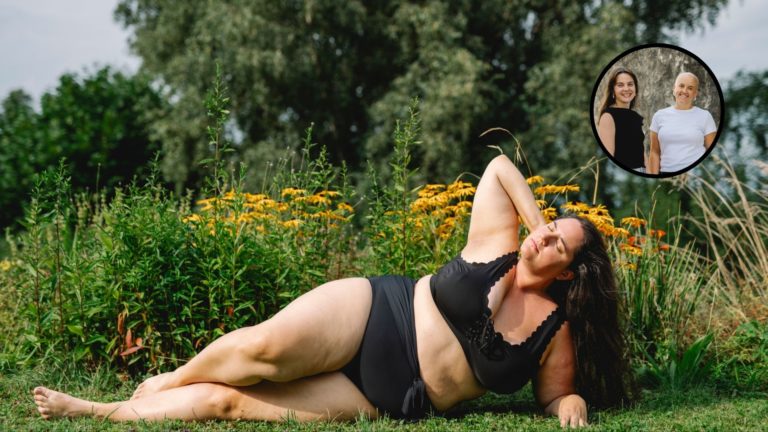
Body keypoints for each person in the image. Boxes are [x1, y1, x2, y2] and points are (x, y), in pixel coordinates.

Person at [33, 154, 634, 428]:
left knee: (233, 404)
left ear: (569, 273)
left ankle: (98, 412)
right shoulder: (501, 236)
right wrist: (538, 225)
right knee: (261, 351)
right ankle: (170, 378)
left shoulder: (553, 329)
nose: (544, 240)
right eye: (549, 228)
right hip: (376, 310)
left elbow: (556, 396)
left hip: (389, 397)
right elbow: (501, 167)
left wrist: (569, 406)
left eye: (558, 244)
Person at [648, 72, 717, 175]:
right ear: (674, 89)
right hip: (666, 173)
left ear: (695, 93)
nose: (684, 91)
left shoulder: (705, 116)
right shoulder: (659, 116)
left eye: (690, 88)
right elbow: (654, 152)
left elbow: (712, 152)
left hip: (695, 175)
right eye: (681, 86)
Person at [597, 68, 646, 173]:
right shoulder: (608, 117)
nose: (626, 88)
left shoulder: (637, 117)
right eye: (620, 85)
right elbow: (609, 158)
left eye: (630, 84)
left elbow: (640, 151)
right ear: (613, 90)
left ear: (636, 89)